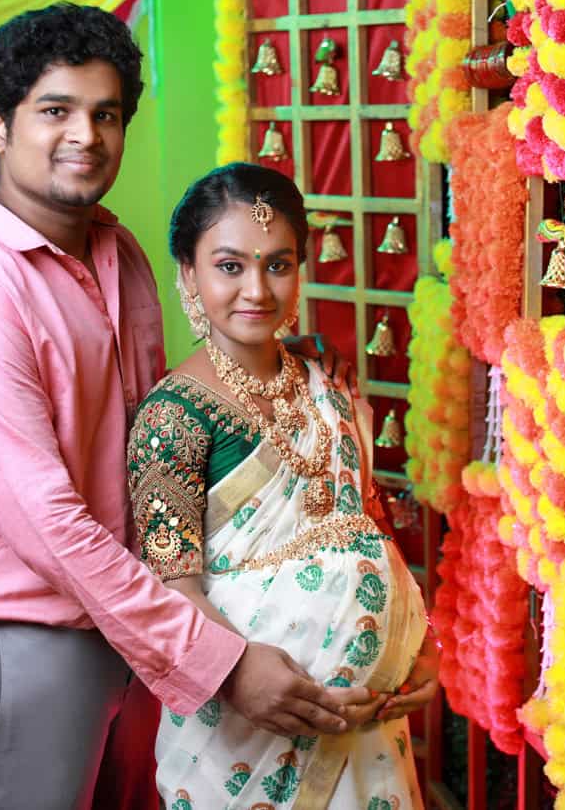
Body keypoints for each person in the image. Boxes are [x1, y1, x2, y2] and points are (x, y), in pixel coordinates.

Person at [0, 3, 378, 810]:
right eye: (55, 110)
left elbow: (156, 428)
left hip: (139, 614)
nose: (85, 135)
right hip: (26, 635)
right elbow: (51, 526)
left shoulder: (114, 250)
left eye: (105, 113)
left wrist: (278, 363)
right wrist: (219, 659)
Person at [127, 162, 438, 808]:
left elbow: (368, 525)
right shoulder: (170, 417)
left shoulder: (330, 377)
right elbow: (171, 589)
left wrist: (418, 642)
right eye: (230, 265)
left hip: (367, 713)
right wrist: (243, 677)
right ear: (188, 271)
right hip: (245, 727)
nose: (257, 290)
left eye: (278, 263)